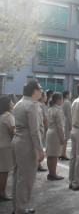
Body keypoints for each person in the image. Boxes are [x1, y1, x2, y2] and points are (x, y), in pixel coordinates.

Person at [12, 80, 45, 214]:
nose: (42, 91)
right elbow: (34, 130)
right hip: (27, 142)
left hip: (17, 140)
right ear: (35, 92)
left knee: (18, 176)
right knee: (26, 178)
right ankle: (21, 209)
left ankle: (17, 207)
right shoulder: (31, 105)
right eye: (40, 89)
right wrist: (40, 148)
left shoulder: (19, 103)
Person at [46, 93, 65, 180]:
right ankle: (53, 174)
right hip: (55, 133)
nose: (62, 101)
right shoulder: (58, 111)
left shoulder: (50, 109)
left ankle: (50, 173)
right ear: (57, 100)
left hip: (49, 131)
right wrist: (62, 137)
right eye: (61, 99)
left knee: (50, 155)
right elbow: (60, 126)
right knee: (54, 155)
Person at [0, 95, 15, 201]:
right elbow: (12, 132)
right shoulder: (8, 116)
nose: (13, 104)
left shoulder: (1, 115)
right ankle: (2, 192)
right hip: (5, 147)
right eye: (11, 102)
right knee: (4, 171)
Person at [37, 92, 48, 172]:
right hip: (41, 128)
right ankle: (38, 164)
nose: (46, 97)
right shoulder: (43, 106)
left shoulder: (36, 104)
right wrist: (48, 128)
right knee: (39, 145)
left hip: (36, 127)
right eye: (45, 96)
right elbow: (45, 119)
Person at [60, 91, 72, 161]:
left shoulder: (62, 101)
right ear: (67, 95)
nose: (71, 95)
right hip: (66, 121)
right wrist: (71, 124)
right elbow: (69, 114)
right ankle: (63, 154)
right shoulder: (68, 102)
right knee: (66, 138)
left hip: (62, 120)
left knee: (63, 138)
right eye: (70, 94)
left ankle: (61, 152)